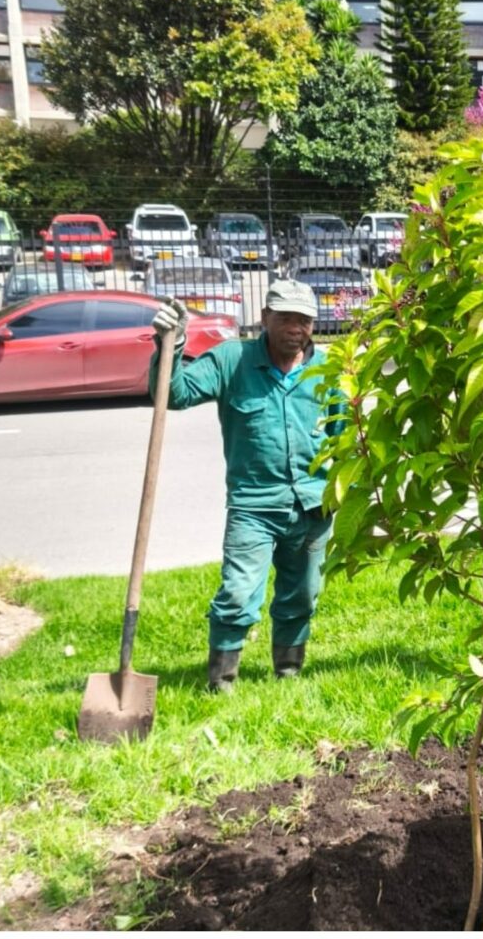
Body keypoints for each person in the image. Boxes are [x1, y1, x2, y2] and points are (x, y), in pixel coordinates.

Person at [154, 280, 339, 691]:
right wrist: (171, 343)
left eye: (304, 320)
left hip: (313, 506)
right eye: (286, 317)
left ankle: (288, 674)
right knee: (238, 594)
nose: (296, 327)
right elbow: (173, 394)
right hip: (254, 506)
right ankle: (222, 682)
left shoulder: (327, 371)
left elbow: (345, 435)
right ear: (265, 318)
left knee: (303, 596)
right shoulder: (231, 360)